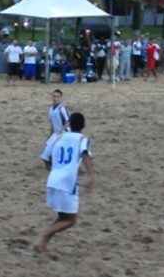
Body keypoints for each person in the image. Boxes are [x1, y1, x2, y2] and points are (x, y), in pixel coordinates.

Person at [34, 112, 95, 253]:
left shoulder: (58, 137)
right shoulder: (82, 139)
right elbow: (85, 155)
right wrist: (91, 176)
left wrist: (55, 168)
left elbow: (45, 156)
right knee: (71, 220)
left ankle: (43, 244)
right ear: (83, 126)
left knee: (63, 216)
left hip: (52, 180)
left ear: (69, 124)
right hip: (67, 184)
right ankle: (44, 235)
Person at [40, 89, 69, 164]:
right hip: (56, 133)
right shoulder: (51, 109)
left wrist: (62, 132)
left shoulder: (62, 108)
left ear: (61, 98)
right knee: (47, 150)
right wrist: (51, 134)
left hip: (64, 133)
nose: (55, 98)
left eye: (57, 97)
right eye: (54, 96)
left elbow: (68, 121)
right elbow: (52, 123)